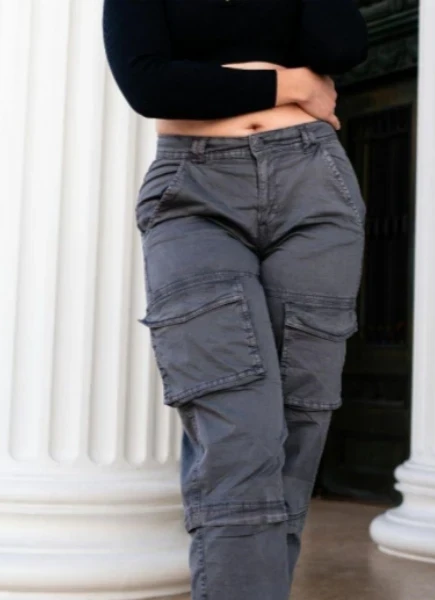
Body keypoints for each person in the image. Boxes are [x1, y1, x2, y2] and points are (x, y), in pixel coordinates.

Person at [102, 2, 369, 598]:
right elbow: (150, 83)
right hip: (193, 194)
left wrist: (263, 79)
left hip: (314, 188)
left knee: (299, 427)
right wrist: (290, 82)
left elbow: (343, 46)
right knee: (237, 431)